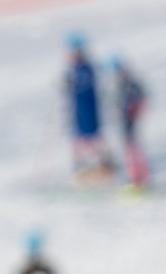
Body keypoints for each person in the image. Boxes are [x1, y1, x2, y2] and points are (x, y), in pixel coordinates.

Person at [63, 34, 112, 179]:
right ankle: (81, 169)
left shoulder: (86, 67)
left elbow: (86, 84)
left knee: (92, 138)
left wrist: (72, 84)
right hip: (77, 111)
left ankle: (103, 166)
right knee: (78, 140)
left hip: (88, 110)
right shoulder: (72, 68)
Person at [111, 54, 150, 189]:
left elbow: (140, 98)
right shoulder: (120, 84)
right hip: (125, 122)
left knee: (132, 149)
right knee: (129, 149)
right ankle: (135, 178)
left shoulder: (128, 84)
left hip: (129, 121)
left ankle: (138, 178)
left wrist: (134, 107)